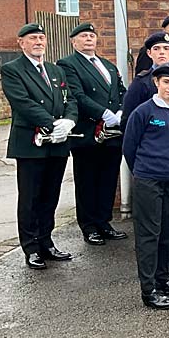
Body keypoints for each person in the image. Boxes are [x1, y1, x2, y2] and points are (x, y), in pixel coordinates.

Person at [1, 23, 78, 269]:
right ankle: (31, 247)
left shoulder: (56, 71)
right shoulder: (12, 70)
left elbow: (70, 99)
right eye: (33, 38)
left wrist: (69, 121)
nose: (38, 42)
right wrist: (53, 123)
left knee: (50, 195)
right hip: (31, 142)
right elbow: (22, 102)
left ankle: (46, 241)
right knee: (30, 197)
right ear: (21, 42)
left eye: (42, 38)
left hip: (57, 142)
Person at [122, 31, 169, 265]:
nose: (162, 53)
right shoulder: (141, 83)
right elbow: (130, 133)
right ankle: (154, 269)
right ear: (149, 53)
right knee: (151, 225)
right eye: (157, 49)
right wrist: (143, 168)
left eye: (166, 49)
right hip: (149, 170)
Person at [123, 63, 169, 310]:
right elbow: (130, 147)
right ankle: (149, 289)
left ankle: (164, 279)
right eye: (167, 82)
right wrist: (144, 173)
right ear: (157, 83)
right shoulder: (143, 112)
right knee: (148, 234)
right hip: (148, 180)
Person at [57, 22, 128, 246]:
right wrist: (104, 113)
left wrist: (120, 111)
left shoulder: (108, 65)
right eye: (84, 36)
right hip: (88, 133)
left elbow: (121, 90)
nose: (89, 39)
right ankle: (89, 226)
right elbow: (77, 95)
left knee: (108, 179)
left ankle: (104, 222)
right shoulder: (68, 64)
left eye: (92, 36)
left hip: (112, 132)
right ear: (74, 41)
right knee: (87, 181)